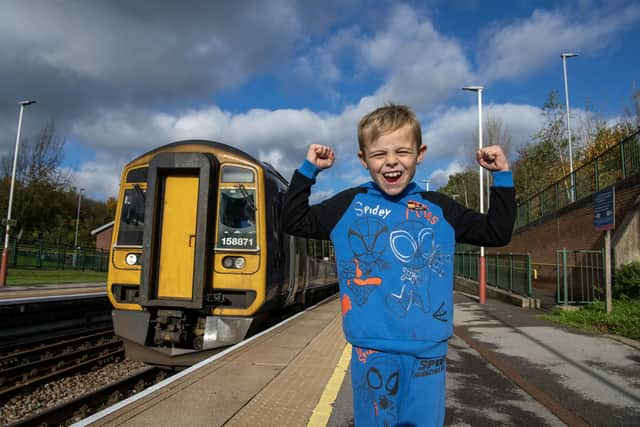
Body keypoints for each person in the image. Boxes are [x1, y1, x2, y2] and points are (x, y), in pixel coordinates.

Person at [282, 103, 515, 426]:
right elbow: (293, 221)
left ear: (420, 154)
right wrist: (309, 170)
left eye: (402, 151)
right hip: (371, 349)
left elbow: (496, 232)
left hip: (427, 351)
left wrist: (502, 176)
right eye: (379, 154)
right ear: (363, 160)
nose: (391, 161)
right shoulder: (349, 204)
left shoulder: (439, 208)